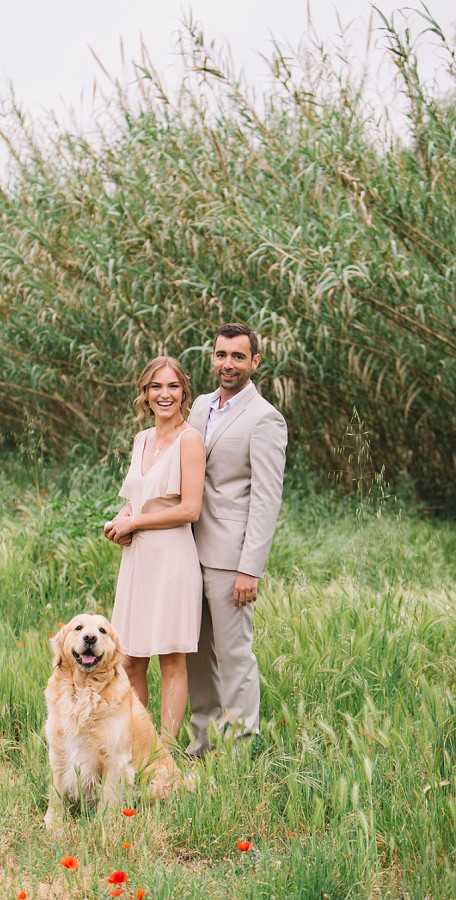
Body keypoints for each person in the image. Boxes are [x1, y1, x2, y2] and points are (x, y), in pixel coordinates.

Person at [186, 322, 287, 756]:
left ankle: (242, 749)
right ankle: (202, 744)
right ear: (213, 357)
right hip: (186, 548)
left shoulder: (265, 419)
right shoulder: (200, 406)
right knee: (194, 652)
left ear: (254, 362)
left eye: (238, 357)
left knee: (234, 656)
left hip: (230, 558)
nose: (228, 364)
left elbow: (266, 499)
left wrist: (251, 568)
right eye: (221, 355)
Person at [103, 356, 205, 744]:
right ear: (145, 394)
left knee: (172, 659)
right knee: (130, 661)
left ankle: (164, 749)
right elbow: (136, 500)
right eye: (156, 387)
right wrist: (119, 522)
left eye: (173, 387)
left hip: (172, 558)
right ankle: (138, 744)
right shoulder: (142, 439)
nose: (165, 395)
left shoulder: (190, 439)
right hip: (138, 560)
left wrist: (137, 523)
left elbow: (189, 509)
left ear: (184, 392)